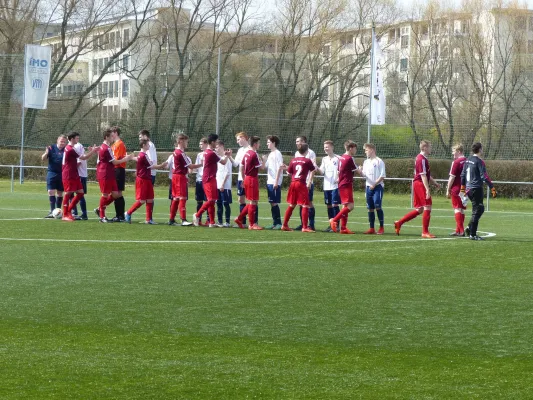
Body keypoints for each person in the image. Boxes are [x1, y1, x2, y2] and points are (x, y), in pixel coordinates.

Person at [394, 140, 441, 238]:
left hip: (418, 183)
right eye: (429, 147)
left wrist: (435, 183)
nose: (431, 148)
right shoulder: (421, 159)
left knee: (420, 209)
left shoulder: (422, 158)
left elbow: (426, 174)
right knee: (427, 206)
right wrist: (427, 189)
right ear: (424, 148)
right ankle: (425, 232)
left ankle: (399, 222)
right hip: (420, 184)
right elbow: (423, 176)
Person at [192, 134, 231, 227]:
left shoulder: (206, 152)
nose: (216, 144)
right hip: (209, 178)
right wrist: (227, 155)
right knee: (211, 200)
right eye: (216, 142)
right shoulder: (211, 153)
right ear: (212, 142)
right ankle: (197, 215)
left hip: (211, 178)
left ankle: (212, 222)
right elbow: (224, 162)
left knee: (212, 200)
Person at [95, 128, 133, 223]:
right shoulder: (106, 148)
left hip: (111, 173)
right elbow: (114, 162)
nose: (113, 137)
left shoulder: (107, 147)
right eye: (111, 136)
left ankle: (100, 209)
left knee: (116, 194)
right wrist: (127, 159)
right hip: (105, 174)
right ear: (107, 137)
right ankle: (102, 216)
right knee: (105, 194)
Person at [125, 139, 166, 224]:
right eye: (147, 144)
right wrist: (161, 165)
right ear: (143, 145)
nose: (149, 145)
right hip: (143, 180)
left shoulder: (142, 155)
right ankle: (128, 213)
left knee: (150, 199)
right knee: (142, 200)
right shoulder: (144, 155)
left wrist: (132, 158)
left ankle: (148, 219)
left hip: (147, 179)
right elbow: (152, 166)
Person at [461, 142, 496, 241]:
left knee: (479, 209)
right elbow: (484, 176)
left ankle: (469, 228)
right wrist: (492, 187)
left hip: (468, 189)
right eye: (482, 148)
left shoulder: (468, 160)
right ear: (480, 149)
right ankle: (472, 234)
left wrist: (463, 189)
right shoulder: (479, 161)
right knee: (477, 209)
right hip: (476, 188)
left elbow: (463, 175)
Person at [60, 132, 98, 221]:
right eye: (76, 138)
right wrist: (93, 151)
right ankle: (65, 214)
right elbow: (84, 158)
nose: (78, 139)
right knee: (68, 193)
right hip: (69, 174)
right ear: (72, 139)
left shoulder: (71, 148)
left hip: (74, 173)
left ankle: (68, 211)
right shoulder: (70, 149)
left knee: (80, 193)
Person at [281, 143, 316, 233]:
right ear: (307, 151)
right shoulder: (308, 161)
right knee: (305, 204)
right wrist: (309, 182)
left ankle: (284, 225)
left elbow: (289, 173)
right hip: (301, 183)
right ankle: (304, 227)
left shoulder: (293, 160)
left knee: (292, 204)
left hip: (293, 183)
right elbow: (313, 170)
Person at [168, 134, 201, 226]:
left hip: (175, 176)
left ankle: (171, 219)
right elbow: (190, 166)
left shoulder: (175, 152)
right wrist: (202, 164)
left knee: (175, 198)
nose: (187, 143)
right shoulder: (180, 153)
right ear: (180, 141)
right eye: (186, 141)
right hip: (180, 177)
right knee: (182, 197)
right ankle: (183, 219)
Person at [329, 140, 358, 234]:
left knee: (345, 206)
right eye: (355, 148)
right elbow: (357, 170)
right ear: (350, 148)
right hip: (346, 184)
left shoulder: (341, 157)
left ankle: (343, 228)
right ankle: (334, 220)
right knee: (350, 206)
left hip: (342, 183)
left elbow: (338, 171)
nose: (355, 150)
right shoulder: (349, 158)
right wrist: (362, 170)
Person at [234, 136, 263, 230]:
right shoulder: (254, 154)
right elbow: (261, 167)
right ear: (255, 144)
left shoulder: (246, 153)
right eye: (258, 143)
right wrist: (264, 159)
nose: (259, 145)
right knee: (253, 201)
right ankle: (251, 224)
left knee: (252, 201)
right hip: (252, 179)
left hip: (246, 178)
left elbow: (241, 167)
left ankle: (239, 219)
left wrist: (243, 178)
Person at [360, 143, 386, 235]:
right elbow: (364, 175)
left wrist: (374, 184)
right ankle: (371, 228)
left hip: (377, 187)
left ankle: (381, 227)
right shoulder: (366, 162)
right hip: (368, 187)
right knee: (370, 208)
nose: (365, 152)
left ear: (372, 150)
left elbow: (382, 176)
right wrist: (360, 171)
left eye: (366, 150)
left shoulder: (379, 161)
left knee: (377, 206)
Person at [294, 136, 316, 230]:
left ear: (304, 142)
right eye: (296, 141)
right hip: (299, 182)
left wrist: (309, 182)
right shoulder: (296, 153)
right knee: (300, 203)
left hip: (307, 182)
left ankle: (311, 224)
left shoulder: (311, 153)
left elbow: (313, 168)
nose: (297, 143)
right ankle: (303, 224)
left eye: (298, 141)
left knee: (309, 202)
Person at [317, 140, 340, 232]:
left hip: (335, 186)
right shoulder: (324, 159)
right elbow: (322, 171)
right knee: (329, 205)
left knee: (335, 204)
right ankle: (331, 225)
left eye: (327, 147)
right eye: (324, 147)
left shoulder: (338, 158)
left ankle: (337, 225)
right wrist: (316, 168)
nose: (325, 149)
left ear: (332, 147)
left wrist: (338, 178)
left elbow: (341, 170)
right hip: (326, 186)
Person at [42, 135, 67, 218]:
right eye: (61, 141)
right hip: (52, 172)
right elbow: (43, 158)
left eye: (64, 142)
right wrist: (46, 153)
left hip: (62, 173)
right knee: (50, 191)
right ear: (57, 140)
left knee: (60, 192)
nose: (62, 143)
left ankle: (58, 211)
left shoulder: (66, 149)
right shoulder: (51, 148)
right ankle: (52, 211)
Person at [262, 135, 284, 229]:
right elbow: (264, 167)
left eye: (268, 142)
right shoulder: (270, 154)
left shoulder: (277, 153)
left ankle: (278, 223)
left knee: (274, 202)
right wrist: (263, 160)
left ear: (273, 143)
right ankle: (275, 223)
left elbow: (280, 167)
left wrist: (276, 181)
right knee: (272, 202)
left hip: (275, 181)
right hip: (270, 181)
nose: (267, 143)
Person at [446, 144, 467, 236]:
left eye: (454, 151)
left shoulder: (456, 162)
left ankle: (461, 231)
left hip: (456, 188)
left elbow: (452, 177)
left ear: (459, 151)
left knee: (457, 208)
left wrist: (448, 189)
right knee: (462, 209)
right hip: (465, 188)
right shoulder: (468, 161)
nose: (452, 153)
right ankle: (458, 230)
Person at [232, 132, 250, 226]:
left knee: (251, 199)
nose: (237, 141)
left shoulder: (250, 150)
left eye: (239, 139)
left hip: (248, 178)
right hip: (240, 178)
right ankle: (242, 222)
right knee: (241, 200)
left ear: (244, 138)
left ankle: (253, 221)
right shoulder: (240, 150)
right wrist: (229, 156)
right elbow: (235, 164)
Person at [110, 126, 128, 222]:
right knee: (117, 193)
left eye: (111, 133)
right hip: (115, 169)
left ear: (116, 133)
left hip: (118, 169)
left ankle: (120, 216)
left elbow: (116, 159)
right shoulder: (114, 145)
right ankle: (120, 215)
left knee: (117, 193)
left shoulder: (119, 144)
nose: (110, 135)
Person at [215, 140, 233, 227]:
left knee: (226, 204)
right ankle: (219, 221)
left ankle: (227, 222)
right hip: (218, 186)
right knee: (218, 204)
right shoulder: (218, 159)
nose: (216, 149)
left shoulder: (227, 160)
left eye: (217, 147)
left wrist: (222, 184)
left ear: (222, 146)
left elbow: (228, 173)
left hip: (225, 186)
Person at [71, 140, 89, 220]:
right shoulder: (79, 149)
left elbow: (78, 163)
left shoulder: (77, 148)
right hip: (81, 175)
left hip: (78, 175)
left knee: (77, 195)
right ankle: (80, 213)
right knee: (79, 195)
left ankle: (76, 213)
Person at [194, 137, 208, 225]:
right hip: (199, 180)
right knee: (199, 201)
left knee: (208, 201)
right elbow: (196, 166)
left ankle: (209, 219)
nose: (200, 146)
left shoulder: (211, 153)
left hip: (206, 180)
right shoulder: (199, 155)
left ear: (206, 144)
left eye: (201, 144)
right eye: (199, 144)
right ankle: (198, 220)